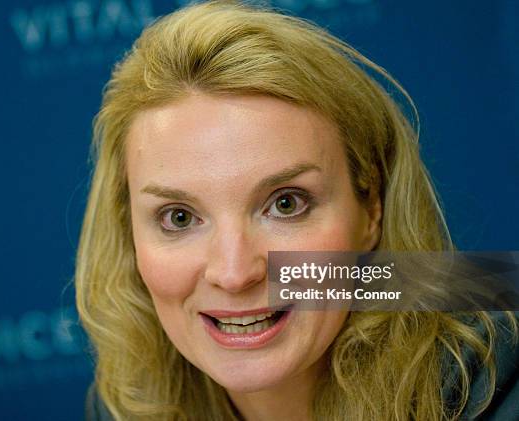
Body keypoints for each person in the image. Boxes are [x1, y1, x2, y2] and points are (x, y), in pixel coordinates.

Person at [75, 1, 518, 420]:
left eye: (286, 204)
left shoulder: (499, 375)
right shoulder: (125, 405)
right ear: (129, 233)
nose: (234, 273)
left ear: (370, 210)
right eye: (179, 218)